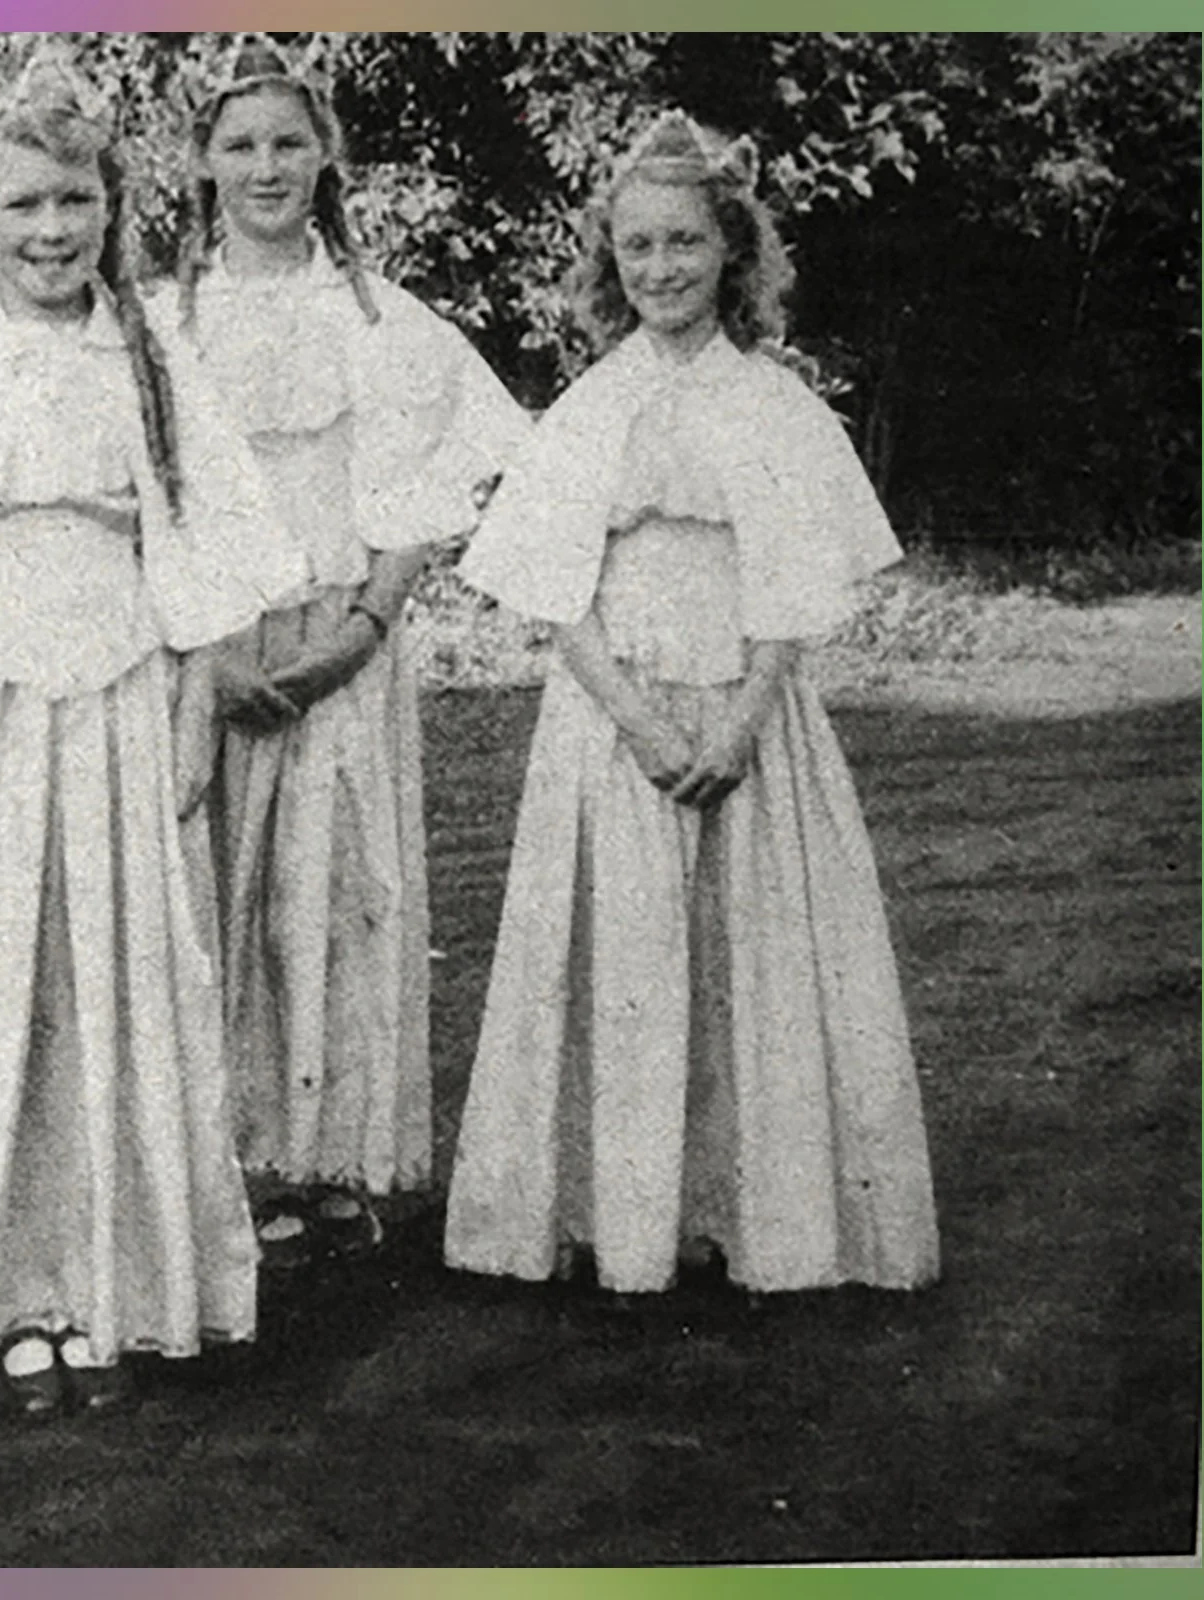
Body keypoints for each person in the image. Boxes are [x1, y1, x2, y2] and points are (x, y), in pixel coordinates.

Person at [0, 52, 307, 1419]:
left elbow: (205, 557)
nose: (54, 233)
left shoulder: (152, 358)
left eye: (79, 205)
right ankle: (1, 1305)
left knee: (119, 992)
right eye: (28, 205)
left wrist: (191, 715)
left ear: (114, 208)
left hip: (117, 704)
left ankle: (111, 1296)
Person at [442, 113, 941, 1296]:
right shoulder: (586, 411)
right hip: (616, 721)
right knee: (625, 960)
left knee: (751, 959)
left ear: (733, 250)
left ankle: (760, 1215)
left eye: (684, 243)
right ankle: (626, 1220)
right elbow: (559, 602)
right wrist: (640, 720)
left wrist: (739, 721)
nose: (660, 269)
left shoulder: (775, 406)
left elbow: (793, 589)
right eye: (637, 248)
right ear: (608, 263)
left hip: (748, 716)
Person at [156, 37, 529, 1269]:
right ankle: (233, 1162)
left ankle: (331, 1158)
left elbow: (433, 481)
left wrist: (363, 626)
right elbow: (144, 503)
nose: (266, 168)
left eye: (288, 142)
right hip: (209, 648)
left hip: (343, 640)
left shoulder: (379, 316)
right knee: (222, 902)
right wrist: (210, 652)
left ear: (327, 156)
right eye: (240, 144)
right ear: (202, 162)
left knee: (334, 896)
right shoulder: (165, 321)